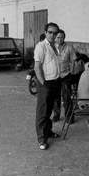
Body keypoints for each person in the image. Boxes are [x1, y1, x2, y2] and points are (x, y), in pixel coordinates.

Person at [34, 22, 61, 150]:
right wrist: (43, 84)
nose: (52, 35)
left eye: (55, 33)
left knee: (49, 109)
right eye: (50, 32)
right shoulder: (41, 47)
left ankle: (48, 132)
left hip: (55, 81)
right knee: (42, 112)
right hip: (45, 82)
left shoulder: (55, 46)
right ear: (45, 33)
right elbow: (37, 67)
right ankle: (42, 139)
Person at [54, 29, 77, 123]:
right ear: (55, 38)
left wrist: (71, 71)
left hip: (65, 75)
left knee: (67, 97)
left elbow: (73, 61)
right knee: (55, 97)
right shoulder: (52, 47)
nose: (60, 39)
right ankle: (56, 115)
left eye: (62, 37)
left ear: (64, 38)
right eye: (58, 37)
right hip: (54, 76)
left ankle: (69, 117)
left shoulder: (69, 47)